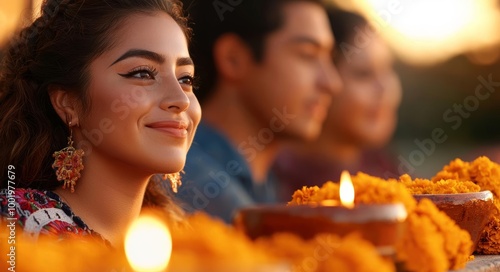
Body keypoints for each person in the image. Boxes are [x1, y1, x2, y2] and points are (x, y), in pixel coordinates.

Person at [0, 0, 201, 246]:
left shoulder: (183, 243)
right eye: (142, 73)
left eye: (185, 78)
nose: (180, 99)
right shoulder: (20, 231)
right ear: (68, 103)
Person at [173, 0, 342, 223]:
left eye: (330, 59)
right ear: (233, 59)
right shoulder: (193, 187)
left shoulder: (266, 185)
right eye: (307, 54)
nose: (332, 83)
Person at [273, 9, 402, 200]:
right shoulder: (276, 184)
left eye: (388, 69)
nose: (385, 89)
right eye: (363, 74)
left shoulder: (387, 171)